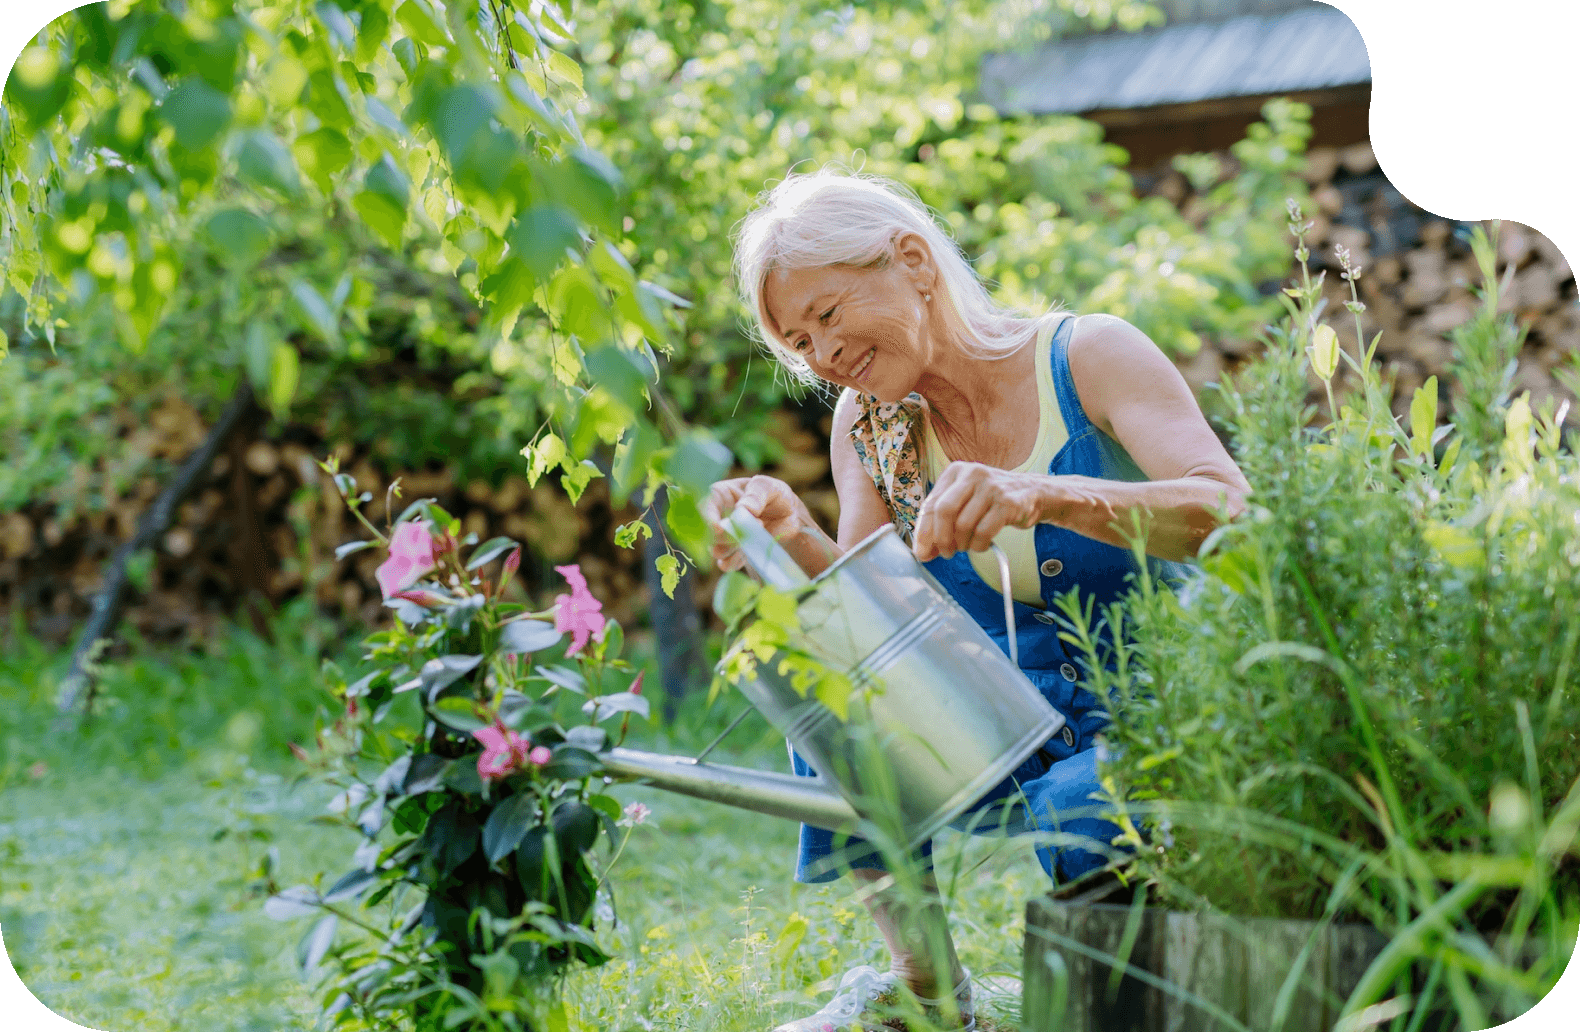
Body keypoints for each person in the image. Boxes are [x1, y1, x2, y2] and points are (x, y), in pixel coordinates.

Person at [703, 167, 1251, 1032]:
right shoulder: (868, 423)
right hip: (1002, 724)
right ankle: (928, 995)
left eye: (830, 315)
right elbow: (878, 625)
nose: (822, 354)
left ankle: (1152, 992)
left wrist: (1050, 494)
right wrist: (790, 535)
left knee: (1083, 806)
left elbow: (1231, 512)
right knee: (830, 678)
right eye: (799, 341)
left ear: (913, 262)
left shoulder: (1088, 354)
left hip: (1160, 714)